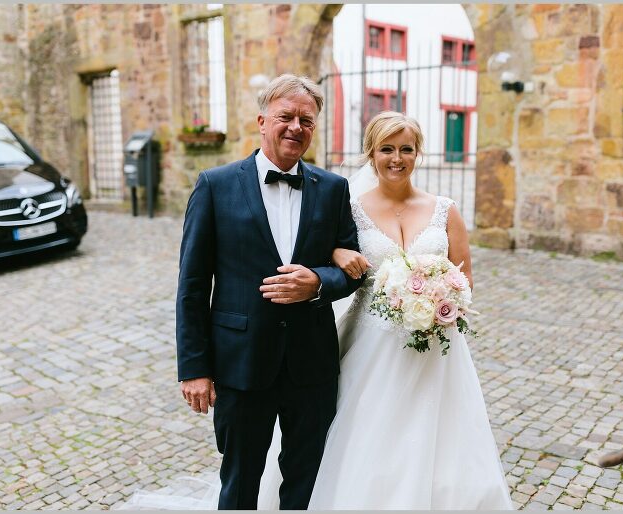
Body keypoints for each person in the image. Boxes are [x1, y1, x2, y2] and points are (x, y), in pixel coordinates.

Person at [116, 111, 511, 510]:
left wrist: (435, 298)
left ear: (418, 154)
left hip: (418, 352)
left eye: (406, 149)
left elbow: (461, 280)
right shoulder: (335, 202)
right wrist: (194, 366)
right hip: (311, 351)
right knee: (247, 473)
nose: (396, 158)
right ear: (370, 155)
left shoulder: (358, 195)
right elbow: (194, 285)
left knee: (388, 454)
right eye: (386, 149)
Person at [174, 73, 363, 510]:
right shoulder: (215, 185)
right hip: (242, 363)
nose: (296, 127)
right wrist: (194, 368)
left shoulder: (333, 189)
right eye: (286, 116)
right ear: (262, 121)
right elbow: (192, 285)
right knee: (239, 480)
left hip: (311, 364)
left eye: (307, 120)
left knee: (307, 479)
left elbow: (354, 268)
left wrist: (318, 282)